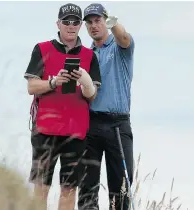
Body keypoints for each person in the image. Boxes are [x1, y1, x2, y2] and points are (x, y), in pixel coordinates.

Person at [24, 3, 102, 209]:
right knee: (41, 186)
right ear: (58, 23)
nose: (70, 26)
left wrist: (85, 81)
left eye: (75, 22)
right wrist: (53, 82)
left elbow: (92, 96)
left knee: (69, 189)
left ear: (80, 25)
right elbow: (31, 86)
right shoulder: (42, 49)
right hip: (45, 129)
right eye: (66, 21)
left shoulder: (89, 55)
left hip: (75, 132)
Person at [77, 3, 136, 210]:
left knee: (120, 188)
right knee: (86, 188)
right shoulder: (86, 55)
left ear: (105, 21)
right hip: (91, 123)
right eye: (89, 22)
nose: (94, 26)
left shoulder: (120, 48)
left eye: (98, 21)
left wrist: (114, 23)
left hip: (117, 125)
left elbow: (124, 38)